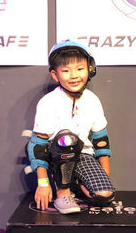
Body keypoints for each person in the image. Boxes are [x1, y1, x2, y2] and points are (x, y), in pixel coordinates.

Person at [27, 40, 115, 214]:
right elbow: (38, 145)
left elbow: (101, 140)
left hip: (83, 155)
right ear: (55, 75)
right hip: (55, 156)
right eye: (66, 71)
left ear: (90, 69)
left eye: (80, 69)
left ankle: (75, 182)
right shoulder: (48, 102)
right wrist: (43, 183)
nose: (74, 75)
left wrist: (105, 173)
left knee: (104, 195)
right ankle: (63, 193)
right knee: (67, 139)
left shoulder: (92, 100)